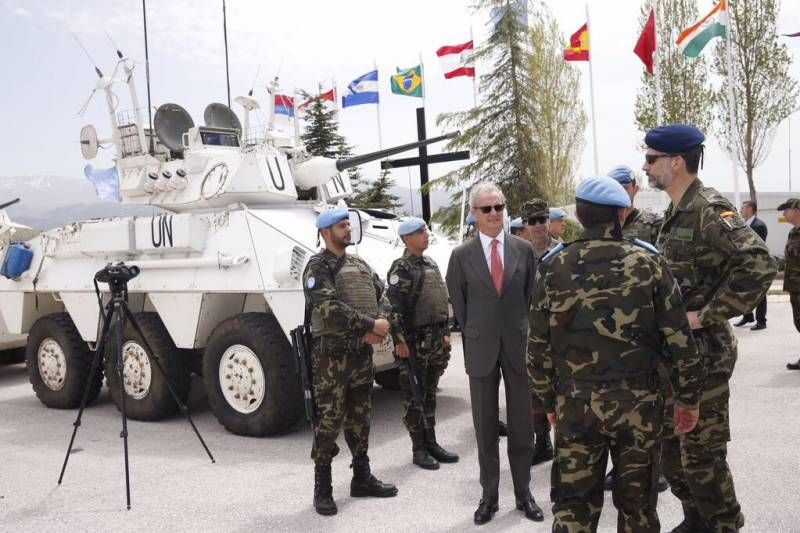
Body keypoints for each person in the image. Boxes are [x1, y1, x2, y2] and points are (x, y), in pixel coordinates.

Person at [529, 176, 703, 532]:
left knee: (573, 508)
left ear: (579, 213)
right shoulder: (649, 263)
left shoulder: (553, 267)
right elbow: (680, 340)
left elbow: (536, 347)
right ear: (622, 214)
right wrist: (688, 399)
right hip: (639, 406)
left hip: (576, 405)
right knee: (638, 509)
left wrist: (548, 401)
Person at [643, 124, 777, 532]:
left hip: (706, 357)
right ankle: (696, 518)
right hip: (677, 357)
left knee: (702, 456)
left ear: (676, 162)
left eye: (651, 159)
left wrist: (705, 315)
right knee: (671, 450)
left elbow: (759, 264)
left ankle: (724, 525)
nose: (645, 167)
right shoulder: (676, 209)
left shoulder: (707, 207)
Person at [446, 182, 543, 525]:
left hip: (518, 345)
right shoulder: (461, 256)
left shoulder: (523, 250)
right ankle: (489, 496)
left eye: (499, 207)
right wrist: (478, 330)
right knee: (485, 426)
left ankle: (523, 493)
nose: (494, 214)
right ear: (474, 214)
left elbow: (532, 297)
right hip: (481, 346)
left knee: (521, 424)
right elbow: (459, 304)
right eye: (486, 209)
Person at [302, 207, 398, 516]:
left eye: (348, 224)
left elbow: (383, 293)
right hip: (332, 358)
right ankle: (323, 487)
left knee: (361, 416)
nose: (347, 229)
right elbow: (329, 306)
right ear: (325, 233)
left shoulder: (359, 263)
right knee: (329, 420)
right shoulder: (318, 267)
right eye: (341, 226)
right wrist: (371, 325)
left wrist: (381, 321)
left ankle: (361, 476)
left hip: (360, 353)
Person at [604, 164, 669, 494]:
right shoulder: (605, 227)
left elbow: (665, 270)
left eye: (624, 184)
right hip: (613, 331)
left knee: (648, 402)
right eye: (613, 184)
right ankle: (619, 469)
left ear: (635, 188)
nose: (620, 190)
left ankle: (654, 470)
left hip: (646, 327)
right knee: (619, 404)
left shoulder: (653, 224)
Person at [386, 217, 459, 470]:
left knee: (429, 393)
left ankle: (432, 442)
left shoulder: (430, 263)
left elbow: (440, 300)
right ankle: (418, 448)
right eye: (419, 232)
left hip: (436, 339)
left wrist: (446, 330)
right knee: (413, 395)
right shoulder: (401, 268)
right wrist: (399, 340)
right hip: (414, 342)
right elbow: (392, 308)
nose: (426, 234)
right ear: (407, 239)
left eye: (426, 229)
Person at [733, 200, 769, 330]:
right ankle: (747, 316)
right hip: (744, 264)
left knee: (760, 293)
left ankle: (761, 321)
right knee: (743, 290)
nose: (741, 210)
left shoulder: (759, 225)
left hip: (757, 264)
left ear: (750, 209)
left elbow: (757, 246)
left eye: (743, 208)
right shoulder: (743, 225)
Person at [607, 165, 663, 245]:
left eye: (624, 188)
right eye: (613, 189)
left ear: (635, 190)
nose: (618, 194)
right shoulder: (601, 225)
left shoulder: (653, 225)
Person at [779, 198, 800, 370]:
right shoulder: (793, 232)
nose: (784, 213)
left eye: (786, 210)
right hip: (795, 286)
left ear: (797, 211)